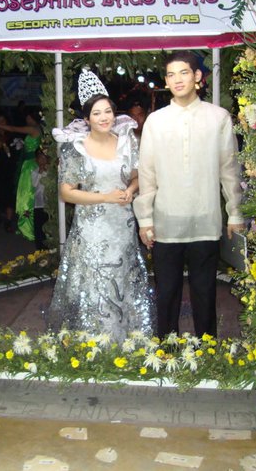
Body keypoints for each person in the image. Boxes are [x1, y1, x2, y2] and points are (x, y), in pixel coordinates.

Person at [133, 51, 244, 339]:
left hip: (205, 219)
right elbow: (147, 173)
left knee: (204, 290)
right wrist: (145, 219)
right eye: (171, 74)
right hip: (166, 221)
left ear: (197, 77)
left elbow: (229, 169)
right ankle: (166, 351)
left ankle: (206, 349)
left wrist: (234, 212)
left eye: (183, 72)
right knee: (166, 292)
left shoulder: (218, 117)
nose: (177, 79)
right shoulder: (156, 121)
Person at [46, 71, 155, 341]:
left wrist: (130, 190)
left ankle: (126, 339)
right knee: (96, 283)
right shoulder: (76, 148)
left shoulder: (127, 142)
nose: (104, 117)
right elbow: (66, 192)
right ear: (87, 119)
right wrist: (105, 197)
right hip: (92, 229)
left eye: (108, 111)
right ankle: (97, 342)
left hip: (122, 226)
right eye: (97, 113)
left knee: (123, 280)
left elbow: (136, 175)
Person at [0, 108, 43, 241]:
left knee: (27, 194)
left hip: (30, 165)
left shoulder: (34, 129)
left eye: (27, 117)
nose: (26, 119)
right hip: (29, 163)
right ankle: (28, 224)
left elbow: (13, 129)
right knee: (29, 194)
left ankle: (28, 226)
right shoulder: (37, 128)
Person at [31, 150, 49, 250]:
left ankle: (48, 245)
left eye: (44, 158)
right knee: (39, 226)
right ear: (36, 160)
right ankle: (40, 247)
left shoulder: (50, 171)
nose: (42, 160)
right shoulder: (34, 172)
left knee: (47, 224)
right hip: (38, 203)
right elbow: (34, 184)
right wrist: (40, 172)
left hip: (48, 203)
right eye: (40, 158)